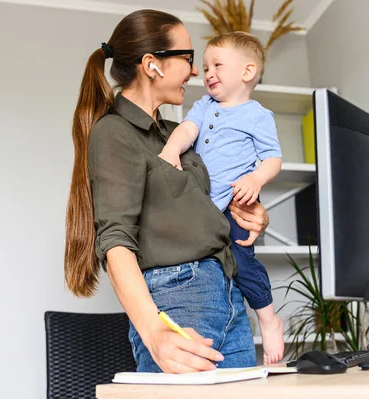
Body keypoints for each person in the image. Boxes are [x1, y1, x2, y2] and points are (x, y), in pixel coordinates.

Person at [64, 9, 271, 374]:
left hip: (231, 296)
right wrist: (153, 330)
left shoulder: (181, 134)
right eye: (188, 59)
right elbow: (115, 241)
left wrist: (257, 214)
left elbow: (213, 202)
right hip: (180, 301)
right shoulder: (114, 133)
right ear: (152, 65)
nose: (195, 72)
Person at [158, 32, 284, 364]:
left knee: (243, 263)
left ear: (247, 72)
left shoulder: (258, 116)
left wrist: (256, 178)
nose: (208, 73)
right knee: (213, 265)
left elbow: (272, 158)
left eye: (217, 65)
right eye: (205, 66)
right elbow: (187, 129)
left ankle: (269, 319)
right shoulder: (204, 106)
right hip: (200, 208)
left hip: (233, 205)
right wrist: (171, 147)